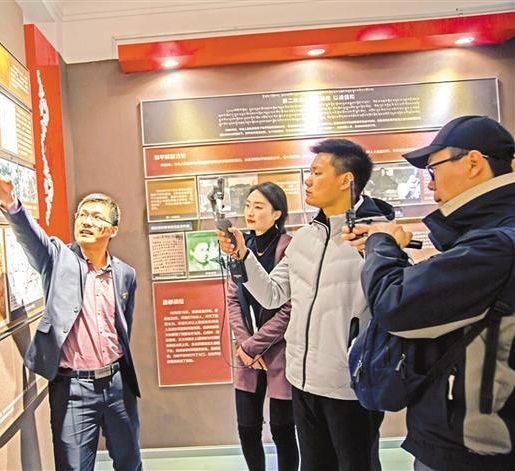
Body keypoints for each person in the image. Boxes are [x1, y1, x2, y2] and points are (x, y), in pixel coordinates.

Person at [342, 115, 515, 471]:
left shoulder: (496, 244)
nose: (431, 183)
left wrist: (382, 245)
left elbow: (395, 304)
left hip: (471, 448)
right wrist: (382, 249)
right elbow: (440, 300)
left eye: (434, 169)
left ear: (473, 163)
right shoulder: (489, 236)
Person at [218, 139, 387, 471]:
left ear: (346, 180)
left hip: (349, 387)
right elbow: (272, 294)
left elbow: (395, 302)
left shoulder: (376, 236)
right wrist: (242, 254)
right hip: (303, 383)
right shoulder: (306, 238)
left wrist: (383, 249)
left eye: (317, 172)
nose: (307, 180)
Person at [0, 165, 142, 471]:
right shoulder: (57, 258)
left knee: (130, 462)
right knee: (73, 467)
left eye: (97, 217)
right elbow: (32, 239)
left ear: (113, 229)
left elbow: (124, 326)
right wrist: (11, 204)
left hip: (118, 384)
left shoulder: (125, 274)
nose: (87, 221)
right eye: (82, 215)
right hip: (73, 388)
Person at [226, 182, 298, 471]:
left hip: (280, 350)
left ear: (277, 213)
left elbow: (289, 308)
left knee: (283, 430)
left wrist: (254, 346)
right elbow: (233, 299)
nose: (250, 212)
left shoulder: (290, 247)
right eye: (248, 206)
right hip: (247, 353)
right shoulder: (239, 247)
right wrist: (245, 345)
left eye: (258, 207)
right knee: (247, 428)